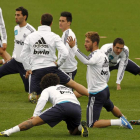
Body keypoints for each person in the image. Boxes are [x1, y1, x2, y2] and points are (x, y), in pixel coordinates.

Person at [67, 31, 133, 129]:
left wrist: (74, 48)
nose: (85, 44)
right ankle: (123, 117)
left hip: (97, 93)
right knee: (111, 107)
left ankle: (119, 121)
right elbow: (107, 74)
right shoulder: (102, 54)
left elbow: (86, 61)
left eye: (87, 41)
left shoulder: (96, 55)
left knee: (92, 124)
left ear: (94, 43)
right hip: (104, 90)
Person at [20, 13, 89, 103]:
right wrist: (59, 63)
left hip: (36, 70)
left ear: (40, 22)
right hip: (52, 68)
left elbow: (23, 55)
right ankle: (92, 95)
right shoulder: (54, 36)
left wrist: (28, 68)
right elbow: (65, 52)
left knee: (32, 98)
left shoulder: (31, 36)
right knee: (73, 84)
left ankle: (38, 96)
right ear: (51, 23)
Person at [0, 73, 88, 137]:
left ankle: (9, 131)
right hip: (77, 107)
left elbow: (42, 100)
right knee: (72, 131)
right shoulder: (65, 87)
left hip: (62, 106)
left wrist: (35, 115)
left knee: (34, 122)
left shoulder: (48, 89)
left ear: (44, 85)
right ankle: (81, 127)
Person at [0, 7, 36, 97]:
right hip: (15, 62)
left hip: (25, 65)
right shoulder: (16, 28)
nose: (16, 17)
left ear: (25, 16)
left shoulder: (31, 31)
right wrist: (13, 56)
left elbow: (35, 49)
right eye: (15, 15)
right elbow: (16, 44)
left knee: (28, 89)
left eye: (18, 15)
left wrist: (31, 65)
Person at [59, 11, 77, 81]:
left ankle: (87, 92)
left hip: (67, 69)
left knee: (68, 91)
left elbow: (65, 52)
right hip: (66, 68)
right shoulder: (66, 33)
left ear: (69, 23)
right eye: (60, 20)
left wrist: (57, 64)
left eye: (63, 21)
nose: (60, 23)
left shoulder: (68, 34)